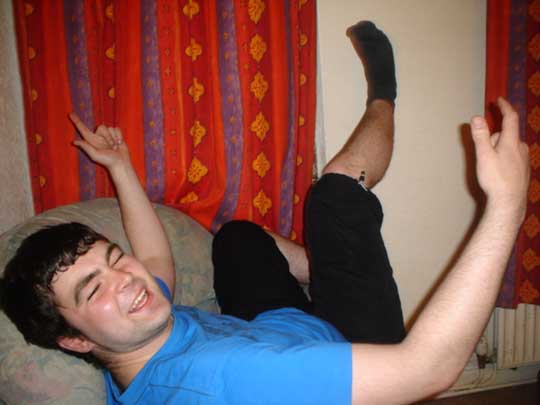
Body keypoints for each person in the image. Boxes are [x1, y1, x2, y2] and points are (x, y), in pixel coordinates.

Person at [1, 21, 530, 404]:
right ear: (74, 340)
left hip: (273, 325)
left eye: (115, 259)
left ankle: (329, 269)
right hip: (348, 345)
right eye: (93, 288)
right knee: (335, 196)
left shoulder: (131, 349)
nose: (126, 279)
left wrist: (120, 167)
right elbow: (429, 370)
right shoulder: (227, 378)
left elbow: (156, 260)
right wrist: (506, 205)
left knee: (236, 237)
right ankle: (383, 96)